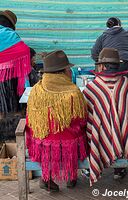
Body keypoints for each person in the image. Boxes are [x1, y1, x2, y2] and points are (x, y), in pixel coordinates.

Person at [83, 48, 128, 185]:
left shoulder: (91, 88)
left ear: (102, 66)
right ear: (117, 65)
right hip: (125, 137)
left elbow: (88, 112)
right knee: (123, 119)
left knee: (93, 127)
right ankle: (119, 165)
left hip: (100, 137)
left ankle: (102, 156)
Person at [26, 50, 88, 192]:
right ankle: (71, 176)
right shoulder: (74, 92)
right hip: (69, 146)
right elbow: (82, 120)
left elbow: (30, 119)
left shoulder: (36, 90)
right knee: (79, 132)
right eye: (67, 68)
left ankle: (47, 178)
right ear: (63, 72)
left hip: (42, 146)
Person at [0, 10, 31, 141]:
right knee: (8, 114)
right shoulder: (12, 37)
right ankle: (8, 142)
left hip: (6, 77)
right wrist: (26, 90)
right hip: (7, 82)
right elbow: (25, 62)